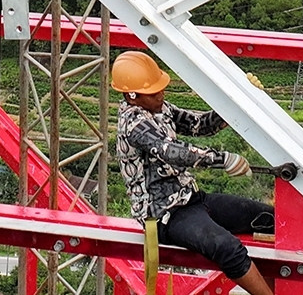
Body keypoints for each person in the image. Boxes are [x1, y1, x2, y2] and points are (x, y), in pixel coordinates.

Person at [112, 51, 276, 295]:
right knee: (228, 248)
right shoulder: (133, 123)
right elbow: (170, 151)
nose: (161, 95)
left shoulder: (159, 110)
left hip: (192, 200)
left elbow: (199, 124)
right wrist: (220, 159)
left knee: (268, 218)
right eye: (154, 93)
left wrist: (240, 101)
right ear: (131, 96)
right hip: (165, 215)